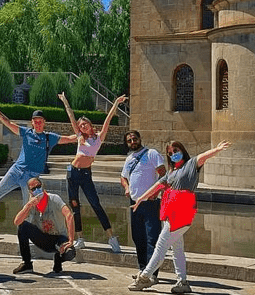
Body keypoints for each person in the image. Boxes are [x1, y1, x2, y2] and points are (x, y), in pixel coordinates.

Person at [129, 140, 231, 293]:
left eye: (175, 150)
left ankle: (144, 277)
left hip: (181, 214)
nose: (173, 154)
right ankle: (182, 282)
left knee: (160, 246)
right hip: (171, 214)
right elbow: (157, 186)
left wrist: (216, 149)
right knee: (177, 249)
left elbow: (203, 157)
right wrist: (140, 199)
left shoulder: (191, 165)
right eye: (170, 153)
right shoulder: (171, 172)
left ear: (182, 150)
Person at [0, 99, 76, 224]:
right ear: (32, 122)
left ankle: (26, 231)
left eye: (40, 121)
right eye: (35, 121)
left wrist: (89, 134)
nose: (38, 123)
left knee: (27, 205)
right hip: (16, 170)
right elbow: (8, 123)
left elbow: (70, 139)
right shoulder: (26, 132)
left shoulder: (50, 137)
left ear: (44, 122)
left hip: (32, 177)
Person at [57, 91, 127, 252]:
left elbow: (108, 119)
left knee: (95, 204)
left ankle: (111, 237)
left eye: (84, 124)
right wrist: (65, 101)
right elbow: (71, 117)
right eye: (81, 125)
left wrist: (116, 103)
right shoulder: (80, 137)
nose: (82, 126)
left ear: (90, 124)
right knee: (75, 205)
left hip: (86, 174)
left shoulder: (99, 137)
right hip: (72, 173)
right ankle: (80, 238)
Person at [120, 130, 166, 280]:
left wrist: (154, 193)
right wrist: (127, 188)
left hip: (151, 203)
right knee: (138, 237)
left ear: (140, 139)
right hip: (134, 203)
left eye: (134, 139)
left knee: (152, 238)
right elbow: (123, 177)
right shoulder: (129, 159)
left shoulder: (151, 153)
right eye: (129, 140)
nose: (133, 142)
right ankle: (142, 269)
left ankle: (152, 273)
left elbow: (163, 174)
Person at [12, 176, 77, 275]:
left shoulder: (54, 199)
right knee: (23, 226)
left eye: (38, 186)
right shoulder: (31, 204)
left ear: (42, 186)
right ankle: (27, 263)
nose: (37, 190)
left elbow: (69, 215)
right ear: (30, 192)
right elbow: (17, 221)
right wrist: (28, 205)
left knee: (70, 253)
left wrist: (71, 239)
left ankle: (58, 259)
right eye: (33, 189)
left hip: (59, 238)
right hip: (42, 238)